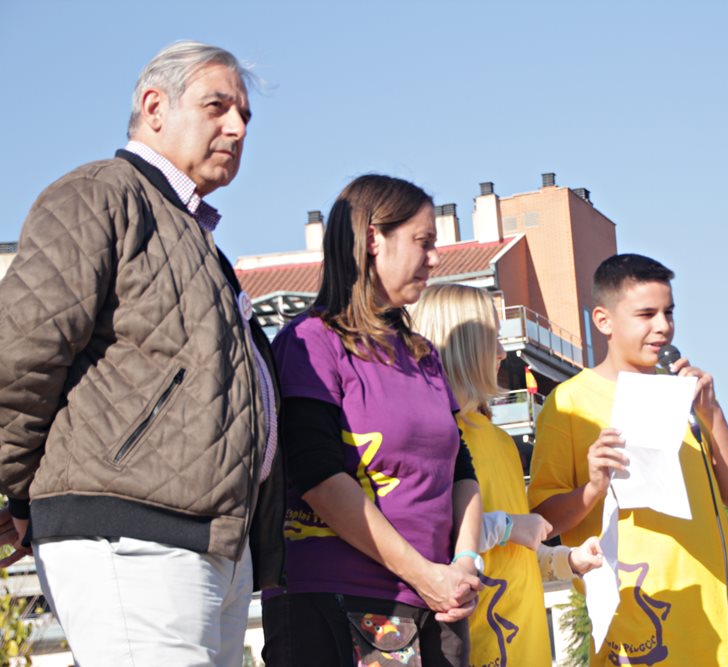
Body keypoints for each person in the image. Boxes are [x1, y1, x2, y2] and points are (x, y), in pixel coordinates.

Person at [0, 41, 283, 666]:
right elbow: (19, 357)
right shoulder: (99, 195)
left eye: (244, 116)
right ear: (154, 107)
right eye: (217, 107)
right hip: (130, 535)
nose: (237, 128)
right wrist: (20, 496)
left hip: (211, 542)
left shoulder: (194, 237)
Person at [261, 175, 482, 667]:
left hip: (437, 603)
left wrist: (465, 564)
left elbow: (461, 469)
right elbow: (317, 476)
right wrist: (424, 575)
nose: (435, 259)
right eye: (423, 241)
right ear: (372, 240)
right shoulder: (311, 342)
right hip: (337, 599)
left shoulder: (424, 355)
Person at [527, 253, 728, 666]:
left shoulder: (684, 395)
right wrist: (593, 488)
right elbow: (542, 521)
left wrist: (712, 413)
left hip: (721, 619)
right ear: (604, 320)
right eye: (646, 314)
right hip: (639, 625)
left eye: (668, 312)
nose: (663, 326)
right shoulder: (568, 404)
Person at [411, 283, 604, 667]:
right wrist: (509, 527)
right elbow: (425, 537)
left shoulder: (500, 441)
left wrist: (568, 560)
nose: (502, 352)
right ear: (461, 348)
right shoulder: (430, 437)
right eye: (492, 340)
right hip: (470, 649)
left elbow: (517, 551)